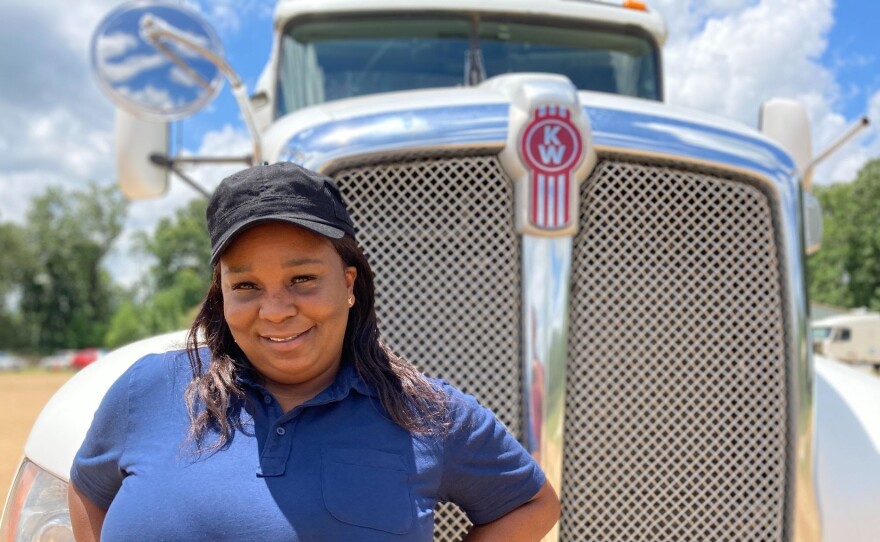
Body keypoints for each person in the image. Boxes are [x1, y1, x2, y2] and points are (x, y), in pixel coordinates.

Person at [68, 162, 560, 541]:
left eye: (302, 279)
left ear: (349, 283)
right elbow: (87, 489)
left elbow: (532, 503)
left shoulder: (428, 414)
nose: (276, 310)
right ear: (222, 293)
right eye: (246, 285)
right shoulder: (148, 389)